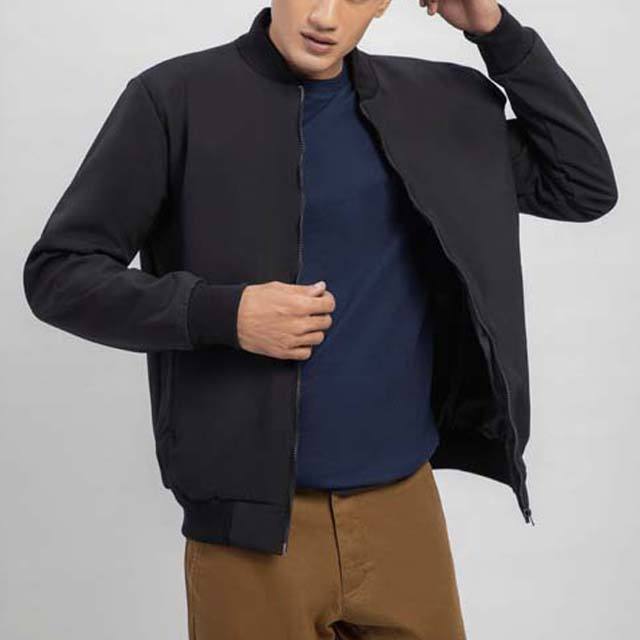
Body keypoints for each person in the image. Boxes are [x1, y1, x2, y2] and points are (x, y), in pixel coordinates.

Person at [22, 1, 617, 638]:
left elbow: (580, 184)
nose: (326, 16)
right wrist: (223, 312)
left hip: (403, 509)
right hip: (252, 531)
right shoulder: (174, 99)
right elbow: (59, 273)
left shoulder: (438, 103)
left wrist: (493, 29)